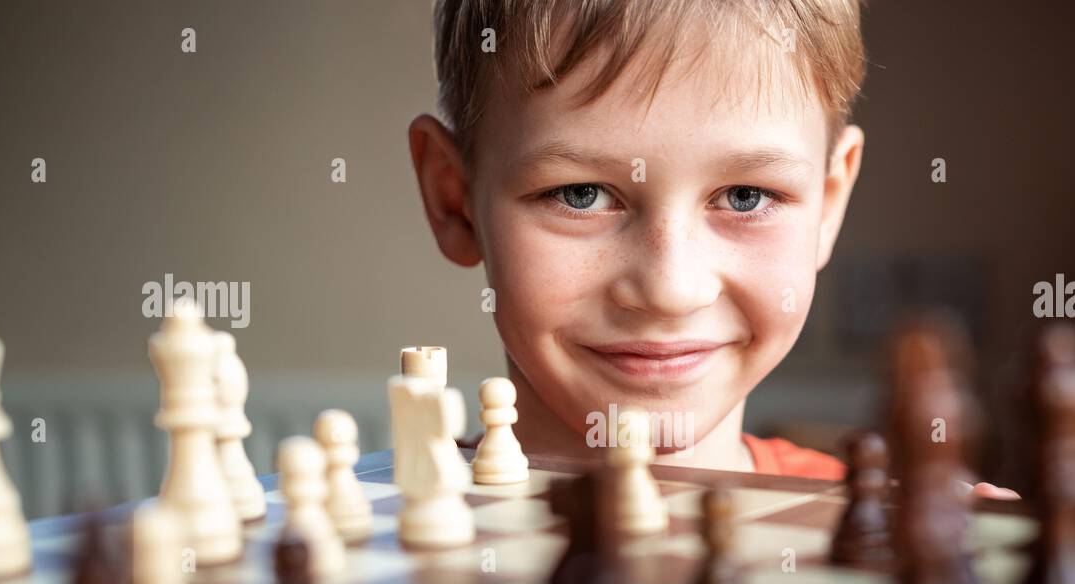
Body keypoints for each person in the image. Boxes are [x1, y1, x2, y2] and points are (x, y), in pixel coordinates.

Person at [409, 0, 1014, 499]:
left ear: (829, 205)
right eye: (582, 193)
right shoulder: (375, 518)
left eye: (747, 195)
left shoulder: (888, 529)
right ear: (454, 200)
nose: (671, 289)